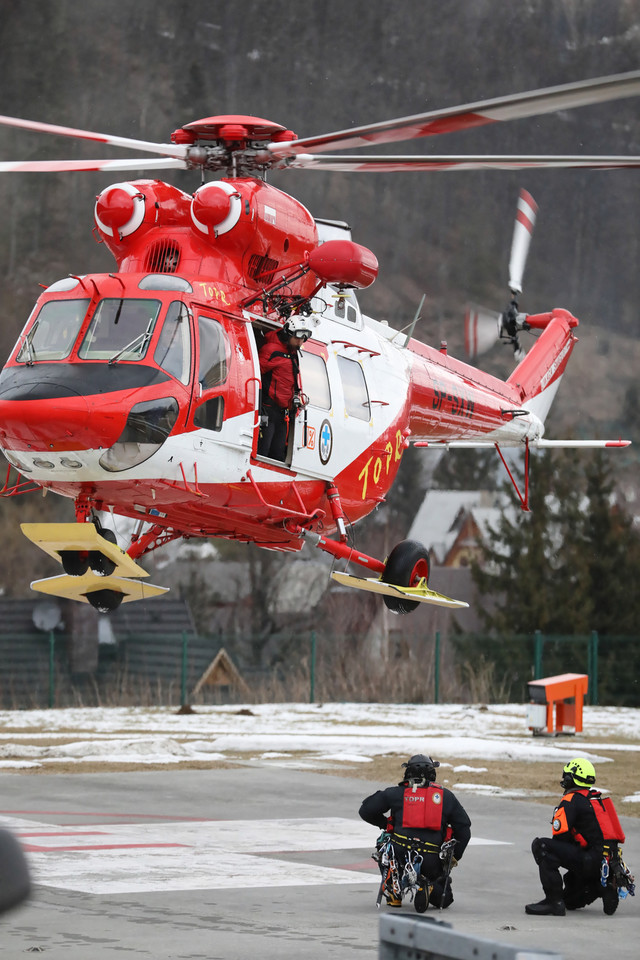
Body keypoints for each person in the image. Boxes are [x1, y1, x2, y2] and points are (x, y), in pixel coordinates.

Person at [359, 754, 471, 911]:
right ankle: (429, 884)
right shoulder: (446, 796)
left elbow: (366, 810)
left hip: (399, 854)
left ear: (407, 772)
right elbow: (464, 829)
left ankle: (394, 891)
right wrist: (453, 858)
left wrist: (386, 824)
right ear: (433, 773)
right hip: (433, 858)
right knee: (443, 900)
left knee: (384, 842)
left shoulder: (395, 793)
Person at [525, 757, 631, 917]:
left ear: (570, 779)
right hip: (607, 864)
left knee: (542, 846)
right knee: (570, 901)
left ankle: (554, 903)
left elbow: (560, 839)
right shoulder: (594, 798)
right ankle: (602, 887)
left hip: (590, 860)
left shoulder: (571, 801)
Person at [257, 316, 311, 461]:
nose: (300, 342)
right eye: (298, 338)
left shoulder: (293, 352)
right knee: (263, 450)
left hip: (283, 412)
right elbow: (255, 372)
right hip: (267, 409)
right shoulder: (272, 350)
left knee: (278, 453)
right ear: (288, 333)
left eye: (303, 339)